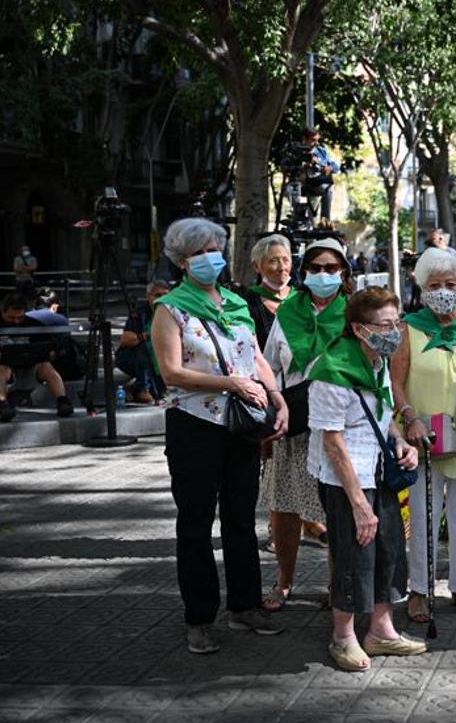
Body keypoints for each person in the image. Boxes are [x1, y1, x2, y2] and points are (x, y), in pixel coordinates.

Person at [150, 217, 290, 655]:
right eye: (199, 251)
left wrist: (276, 396)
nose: (211, 256)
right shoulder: (170, 308)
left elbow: (255, 358)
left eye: (215, 247)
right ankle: (199, 617)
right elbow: (172, 372)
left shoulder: (235, 302)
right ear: (181, 261)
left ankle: (245, 606)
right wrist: (231, 384)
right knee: (195, 523)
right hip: (194, 425)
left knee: (241, 519)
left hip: (241, 423)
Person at [307, 287, 426, 670]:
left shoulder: (378, 361)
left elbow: (382, 413)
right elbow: (333, 443)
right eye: (385, 325)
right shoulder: (331, 370)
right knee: (354, 555)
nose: (395, 331)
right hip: (346, 481)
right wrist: (359, 505)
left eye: (398, 323)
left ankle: (381, 630)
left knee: (389, 549)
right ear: (359, 329)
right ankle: (343, 637)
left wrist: (401, 442)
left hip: (378, 472)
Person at [391, 248, 456, 622]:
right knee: (422, 516)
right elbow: (396, 384)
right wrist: (410, 417)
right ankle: (419, 589)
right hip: (423, 438)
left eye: (450, 284)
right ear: (422, 287)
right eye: (435, 285)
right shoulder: (408, 328)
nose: (443, 291)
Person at [259, 238, 354, 612]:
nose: (322, 275)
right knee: (284, 507)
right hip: (293, 423)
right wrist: (271, 410)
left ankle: (336, 585)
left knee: (336, 508)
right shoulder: (288, 312)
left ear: (344, 273)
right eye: (315, 268)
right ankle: (283, 581)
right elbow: (269, 363)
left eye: (331, 269)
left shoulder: (353, 313)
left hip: (338, 427)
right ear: (304, 273)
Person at [0, 293, 74, 421]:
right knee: (1, 369)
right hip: (4, 366)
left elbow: (50, 348)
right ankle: (2, 405)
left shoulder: (33, 324)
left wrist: (49, 353)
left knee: (46, 366)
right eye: (11, 318)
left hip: (29, 364)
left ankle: (63, 401)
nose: (16, 322)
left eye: (20, 318)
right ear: (3, 311)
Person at [117, 280, 171, 403]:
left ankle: (135, 388)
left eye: (165, 295)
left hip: (163, 358)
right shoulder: (140, 312)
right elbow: (125, 339)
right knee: (145, 348)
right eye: (157, 295)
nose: (162, 298)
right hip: (133, 357)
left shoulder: (174, 310)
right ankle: (142, 389)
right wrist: (149, 335)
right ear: (148, 297)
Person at [237, 234, 294, 350]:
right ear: (257, 266)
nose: (282, 267)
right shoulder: (246, 303)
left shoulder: (303, 298)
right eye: (274, 261)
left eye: (286, 260)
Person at [302, 127, 341, 223]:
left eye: (317, 140)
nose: (316, 143)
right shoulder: (297, 151)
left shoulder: (321, 151)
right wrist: (305, 166)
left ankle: (325, 222)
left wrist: (329, 168)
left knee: (328, 189)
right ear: (305, 139)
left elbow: (335, 166)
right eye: (313, 140)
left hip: (318, 183)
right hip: (302, 184)